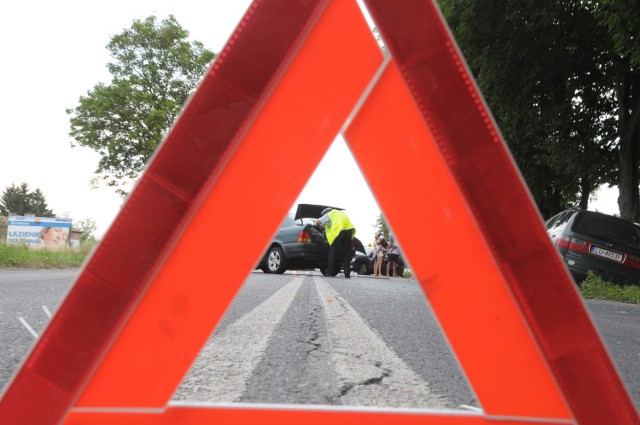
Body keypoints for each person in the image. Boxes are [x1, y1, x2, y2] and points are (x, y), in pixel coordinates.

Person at [315, 208, 356, 278]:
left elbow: (317, 222)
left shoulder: (329, 214)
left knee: (333, 252)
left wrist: (320, 226)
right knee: (347, 253)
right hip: (349, 230)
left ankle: (330, 272)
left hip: (339, 231)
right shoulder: (340, 213)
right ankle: (347, 274)